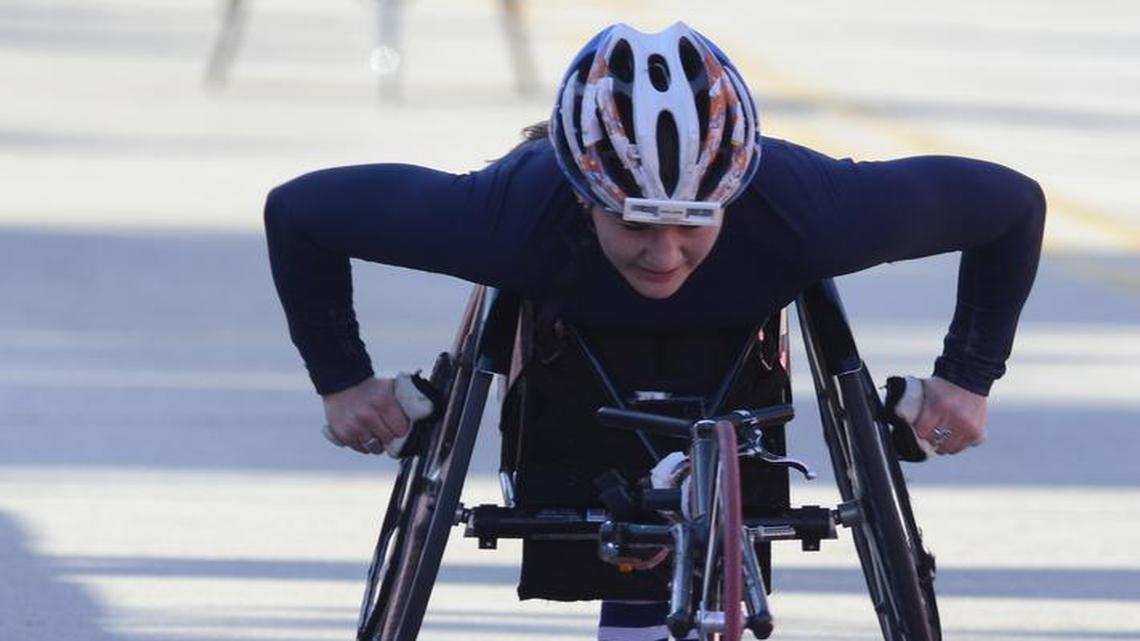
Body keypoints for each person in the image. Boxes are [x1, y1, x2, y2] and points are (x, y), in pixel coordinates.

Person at [265, 21, 1045, 641]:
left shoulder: (810, 208)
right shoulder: (505, 217)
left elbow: (1012, 205)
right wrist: (343, 379)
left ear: (731, 196)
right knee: (617, 525)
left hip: (739, 329)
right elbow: (300, 213)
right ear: (582, 195)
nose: (663, 253)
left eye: (692, 224)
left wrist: (968, 374)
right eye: (635, 221)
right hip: (572, 332)